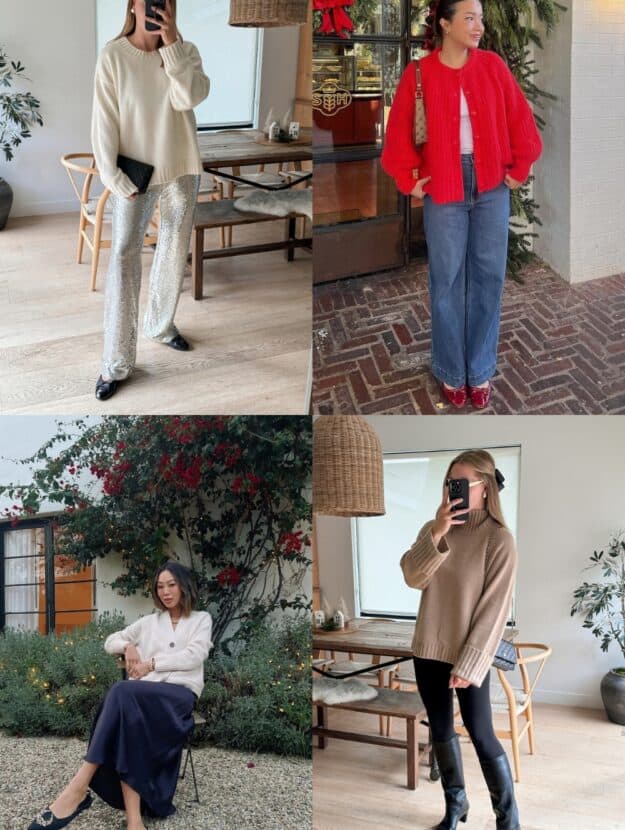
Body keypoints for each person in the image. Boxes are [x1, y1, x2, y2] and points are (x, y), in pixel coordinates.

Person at [381, 0, 542, 410]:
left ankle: (481, 368)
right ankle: (452, 371)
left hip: (491, 185)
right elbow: (398, 133)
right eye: (469, 18)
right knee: (447, 282)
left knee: (489, 277)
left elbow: (520, 119)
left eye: (481, 18)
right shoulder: (418, 73)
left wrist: (520, 166)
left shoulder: (492, 67)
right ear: (445, 23)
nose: (479, 26)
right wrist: (409, 180)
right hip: (444, 189)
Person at [27, 561, 213, 830]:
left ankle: (77, 788)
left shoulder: (200, 619)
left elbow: (194, 655)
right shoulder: (150, 622)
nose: (166, 591)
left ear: (184, 586)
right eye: (160, 586)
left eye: (171, 584)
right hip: (143, 698)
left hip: (178, 698)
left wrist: (150, 664)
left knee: (122, 691)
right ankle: (134, 821)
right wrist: (127, 646)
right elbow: (109, 641)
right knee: (128, 721)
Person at [91, 0, 210, 401]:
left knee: (174, 249)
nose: (158, 5)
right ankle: (116, 361)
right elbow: (103, 119)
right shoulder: (113, 55)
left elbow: (189, 98)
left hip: (182, 166)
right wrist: (111, 175)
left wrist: (171, 44)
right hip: (135, 173)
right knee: (124, 257)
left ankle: (160, 325)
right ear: (133, 5)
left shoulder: (185, 51)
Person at [400, 450, 519, 830]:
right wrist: (437, 532)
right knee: (439, 729)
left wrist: (469, 665)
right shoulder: (434, 529)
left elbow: (494, 611)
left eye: (463, 485)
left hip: (468, 656)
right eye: (451, 484)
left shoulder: (499, 539)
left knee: (482, 734)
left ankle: (508, 819)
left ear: (485, 488)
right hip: (428, 650)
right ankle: (456, 805)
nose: (455, 493)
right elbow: (412, 577)